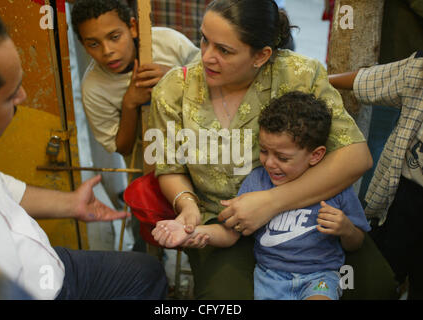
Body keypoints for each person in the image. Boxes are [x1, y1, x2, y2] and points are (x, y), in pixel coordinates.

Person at [148, 0, 375, 299]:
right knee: (225, 300)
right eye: (204, 39)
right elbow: (168, 168)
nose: (206, 57)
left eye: (224, 50)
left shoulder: (298, 75)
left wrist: (271, 202)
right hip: (221, 224)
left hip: (305, 217)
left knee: (375, 286)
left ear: (262, 55)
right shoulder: (174, 89)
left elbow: (356, 156)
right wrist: (188, 206)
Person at [0, 8, 168, 300]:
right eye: (9, 95)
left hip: (51, 262)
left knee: (147, 273)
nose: (24, 97)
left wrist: (70, 203)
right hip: (39, 291)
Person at [152, 91, 371, 300]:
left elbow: (356, 242)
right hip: (270, 278)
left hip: (320, 277)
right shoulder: (256, 182)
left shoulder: (334, 187)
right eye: (264, 151)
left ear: (315, 155)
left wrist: (345, 229)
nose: (269, 163)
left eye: (283, 158)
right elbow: (230, 234)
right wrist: (192, 233)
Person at [71, 0, 200, 252]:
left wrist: (175, 77)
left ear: (132, 27)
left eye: (114, 36)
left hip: (198, 153)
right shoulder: (94, 87)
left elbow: (213, 78)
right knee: (148, 235)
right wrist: (130, 104)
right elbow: (122, 147)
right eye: (93, 44)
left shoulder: (167, 42)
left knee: (198, 231)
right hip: (147, 169)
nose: (107, 51)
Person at [328, 51, 423, 299]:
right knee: (383, 273)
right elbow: (370, 80)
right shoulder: (417, 70)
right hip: (403, 197)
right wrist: (319, 78)